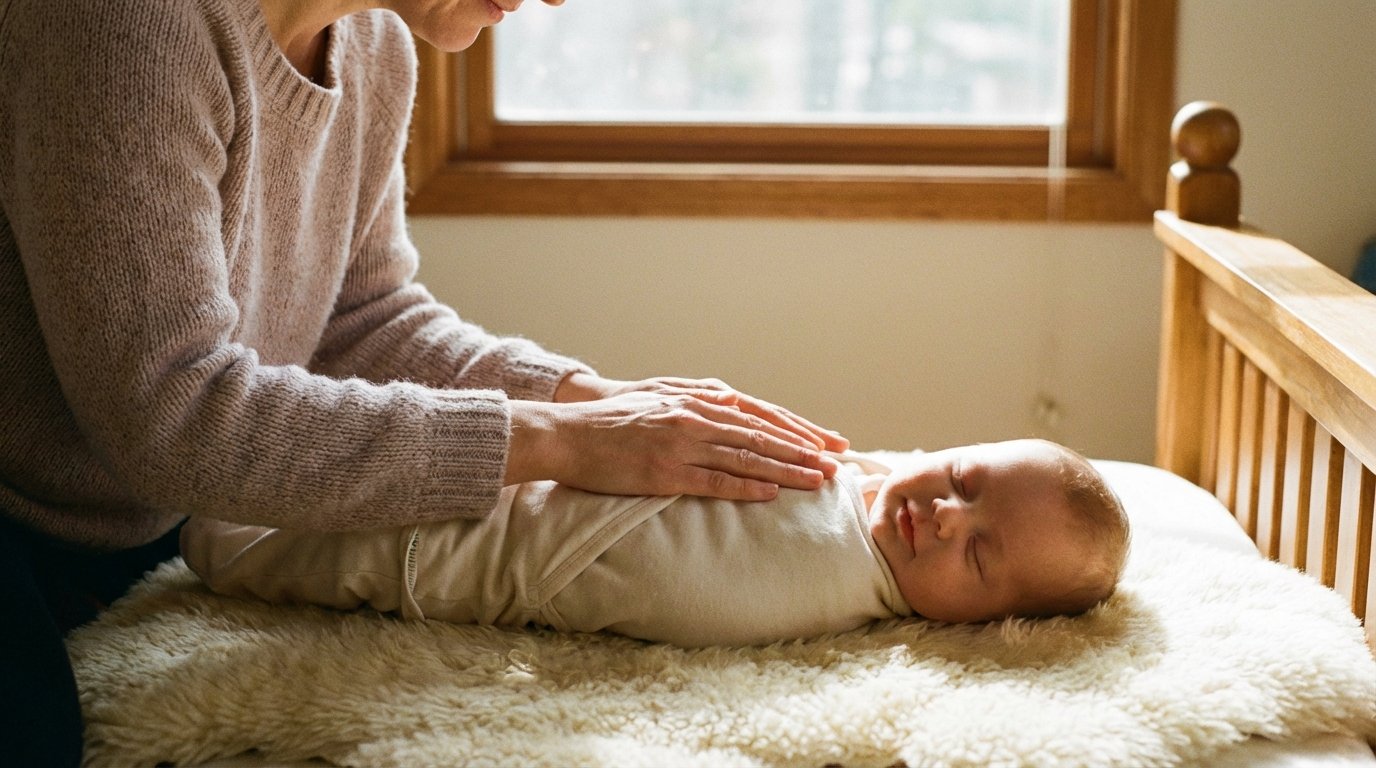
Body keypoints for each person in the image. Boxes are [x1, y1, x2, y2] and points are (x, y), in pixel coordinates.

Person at [0, 0, 848, 763]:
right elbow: (174, 413)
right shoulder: (118, 24)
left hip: (139, 515)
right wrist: (555, 441)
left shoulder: (372, 45)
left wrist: (595, 402)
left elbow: (361, 319)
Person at [182, 439, 1132, 647]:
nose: (947, 516)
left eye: (977, 556)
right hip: (529, 478)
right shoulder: (864, 483)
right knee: (351, 455)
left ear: (991, 620)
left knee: (263, 540)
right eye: (962, 478)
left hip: (499, 550)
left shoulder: (834, 588)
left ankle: (215, 528)